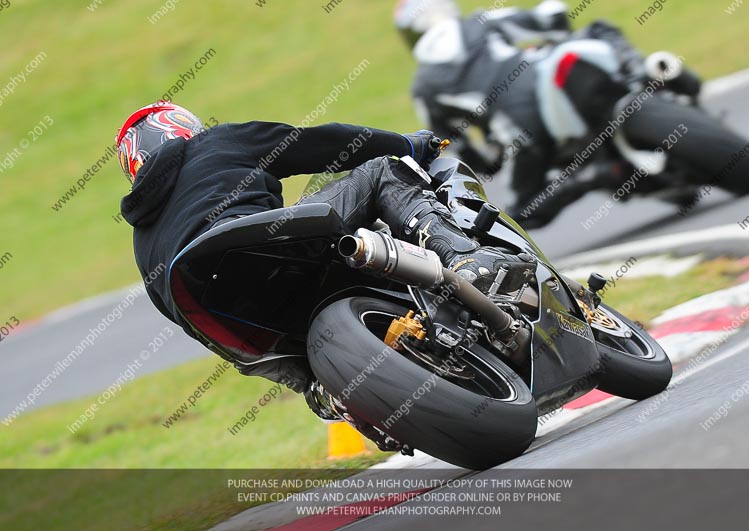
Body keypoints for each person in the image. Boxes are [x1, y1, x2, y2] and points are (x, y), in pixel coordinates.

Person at [116, 101, 529, 404]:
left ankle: (325, 393)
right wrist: (409, 145)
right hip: (270, 246)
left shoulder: (142, 238)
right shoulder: (213, 142)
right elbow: (323, 144)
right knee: (382, 169)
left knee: (312, 378)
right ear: (180, 127)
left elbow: (181, 315)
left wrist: (301, 379)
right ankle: (461, 259)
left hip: (226, 308)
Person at [395, 0, 572, 225]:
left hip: (520, 131)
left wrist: (488, 161)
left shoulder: (423, 87)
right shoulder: (482, 20)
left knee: (517, 215)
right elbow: (549, 18)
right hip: (550, 84)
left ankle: (591, 179)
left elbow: (450, 146)